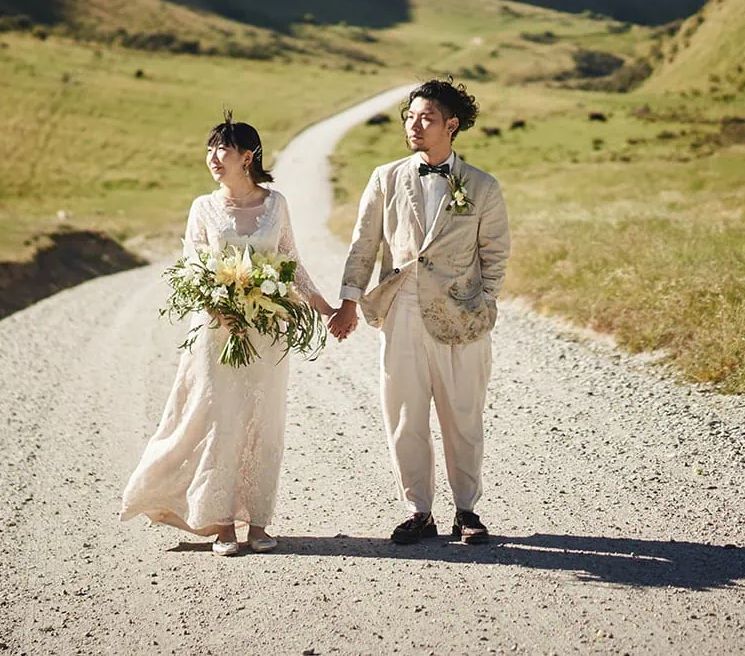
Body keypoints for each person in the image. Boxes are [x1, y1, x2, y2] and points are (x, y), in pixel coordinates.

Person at [120, 117, 337, 555]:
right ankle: (221, 523)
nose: (213, 159)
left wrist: (327, 308)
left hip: (267, 332)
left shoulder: (276, 205)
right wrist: (220, 306)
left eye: (222, 150)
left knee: (263, 421)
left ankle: (257, 522)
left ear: (247, 156)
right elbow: (191, 268)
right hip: (216, 330)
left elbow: (290, 262)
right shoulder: (203, 207)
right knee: (219, 420)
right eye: (210, 150)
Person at [330, 79, 510, 545]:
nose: (414, 125)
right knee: (405, 414)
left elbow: (495, 254)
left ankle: (467, 511)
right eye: (409, 117)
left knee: (463, 416)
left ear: (451, 125)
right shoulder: (385, 177)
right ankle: (419, 510)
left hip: (461, 317)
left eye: (426, 118)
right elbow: (364, 244)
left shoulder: (482, 186)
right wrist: (349, 301)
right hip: (402, 310)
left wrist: (482, 302)